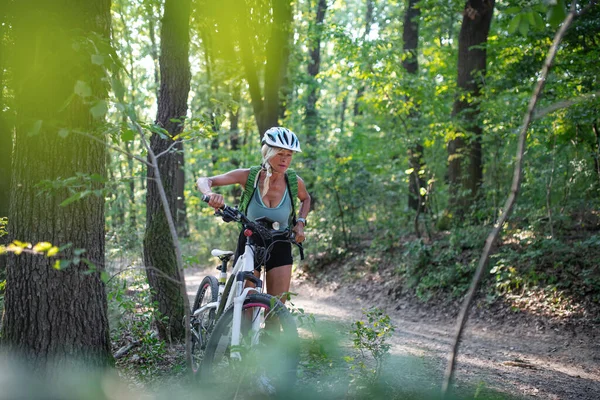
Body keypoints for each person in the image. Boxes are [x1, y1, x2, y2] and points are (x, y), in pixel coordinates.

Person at [196, 127, 311, 303]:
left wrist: (300, 222)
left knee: (276, 308)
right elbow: (204, 180)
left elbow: (306, 198)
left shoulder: (293, 181)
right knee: (246, 306)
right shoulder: (250, 176)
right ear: (267, 152)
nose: (285, 159)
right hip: (251, 240)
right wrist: (210, 194)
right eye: (280, 153)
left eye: (289, 155)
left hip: (280, 241)